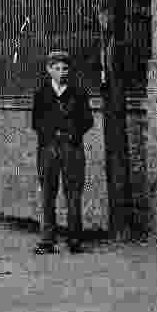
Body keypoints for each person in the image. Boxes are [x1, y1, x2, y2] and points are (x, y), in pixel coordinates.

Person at [32, 49, 93, 254]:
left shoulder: (78, 92)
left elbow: (88, 120)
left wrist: (73, 135)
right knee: (48, 193)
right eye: (57, 68)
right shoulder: (41, 93)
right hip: (48, 149)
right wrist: (50, 136)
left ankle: (74, 240)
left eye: (65, 68)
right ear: (49, 70)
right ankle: (47, 240)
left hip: (72, 149)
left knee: (73, 193)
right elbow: (36, 122)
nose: (61, 72)